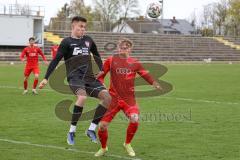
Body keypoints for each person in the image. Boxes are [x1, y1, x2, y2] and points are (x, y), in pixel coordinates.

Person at [39, 16, 111, 145]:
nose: (83, 29)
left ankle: (91, 129)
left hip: (89, 78)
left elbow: (97, 55)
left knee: (107, 98)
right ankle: (72, 131)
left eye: (84, 27)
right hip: (75, 78)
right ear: (73, 27)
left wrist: (101, 70)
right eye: (80, 27)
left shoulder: (88, 40)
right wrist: (45, 78)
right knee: (82, 97)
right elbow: (55, 61)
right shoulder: (66, 42)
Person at [94, 38, 162, 157]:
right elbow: (100, 75)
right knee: (102, 126)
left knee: (134, 118)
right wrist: (101, 84)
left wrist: (154, 83)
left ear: (130, 49)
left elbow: (145, 74)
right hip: (113, 99)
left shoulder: (135, 62)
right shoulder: (110, 60)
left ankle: (127, 143)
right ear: (117, 48)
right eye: (120, 47)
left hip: (128, 99)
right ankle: (104, 148)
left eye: (125, 48)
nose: (122, 49)